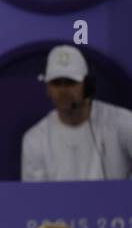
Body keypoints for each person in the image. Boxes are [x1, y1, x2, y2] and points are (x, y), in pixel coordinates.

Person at [21, 46, 132, 182]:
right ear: (48, 89)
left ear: (87, 86)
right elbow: (35, 197)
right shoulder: (35, 139)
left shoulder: (123, 123)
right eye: (56, 83)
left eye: (70, 83)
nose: (63, 91)